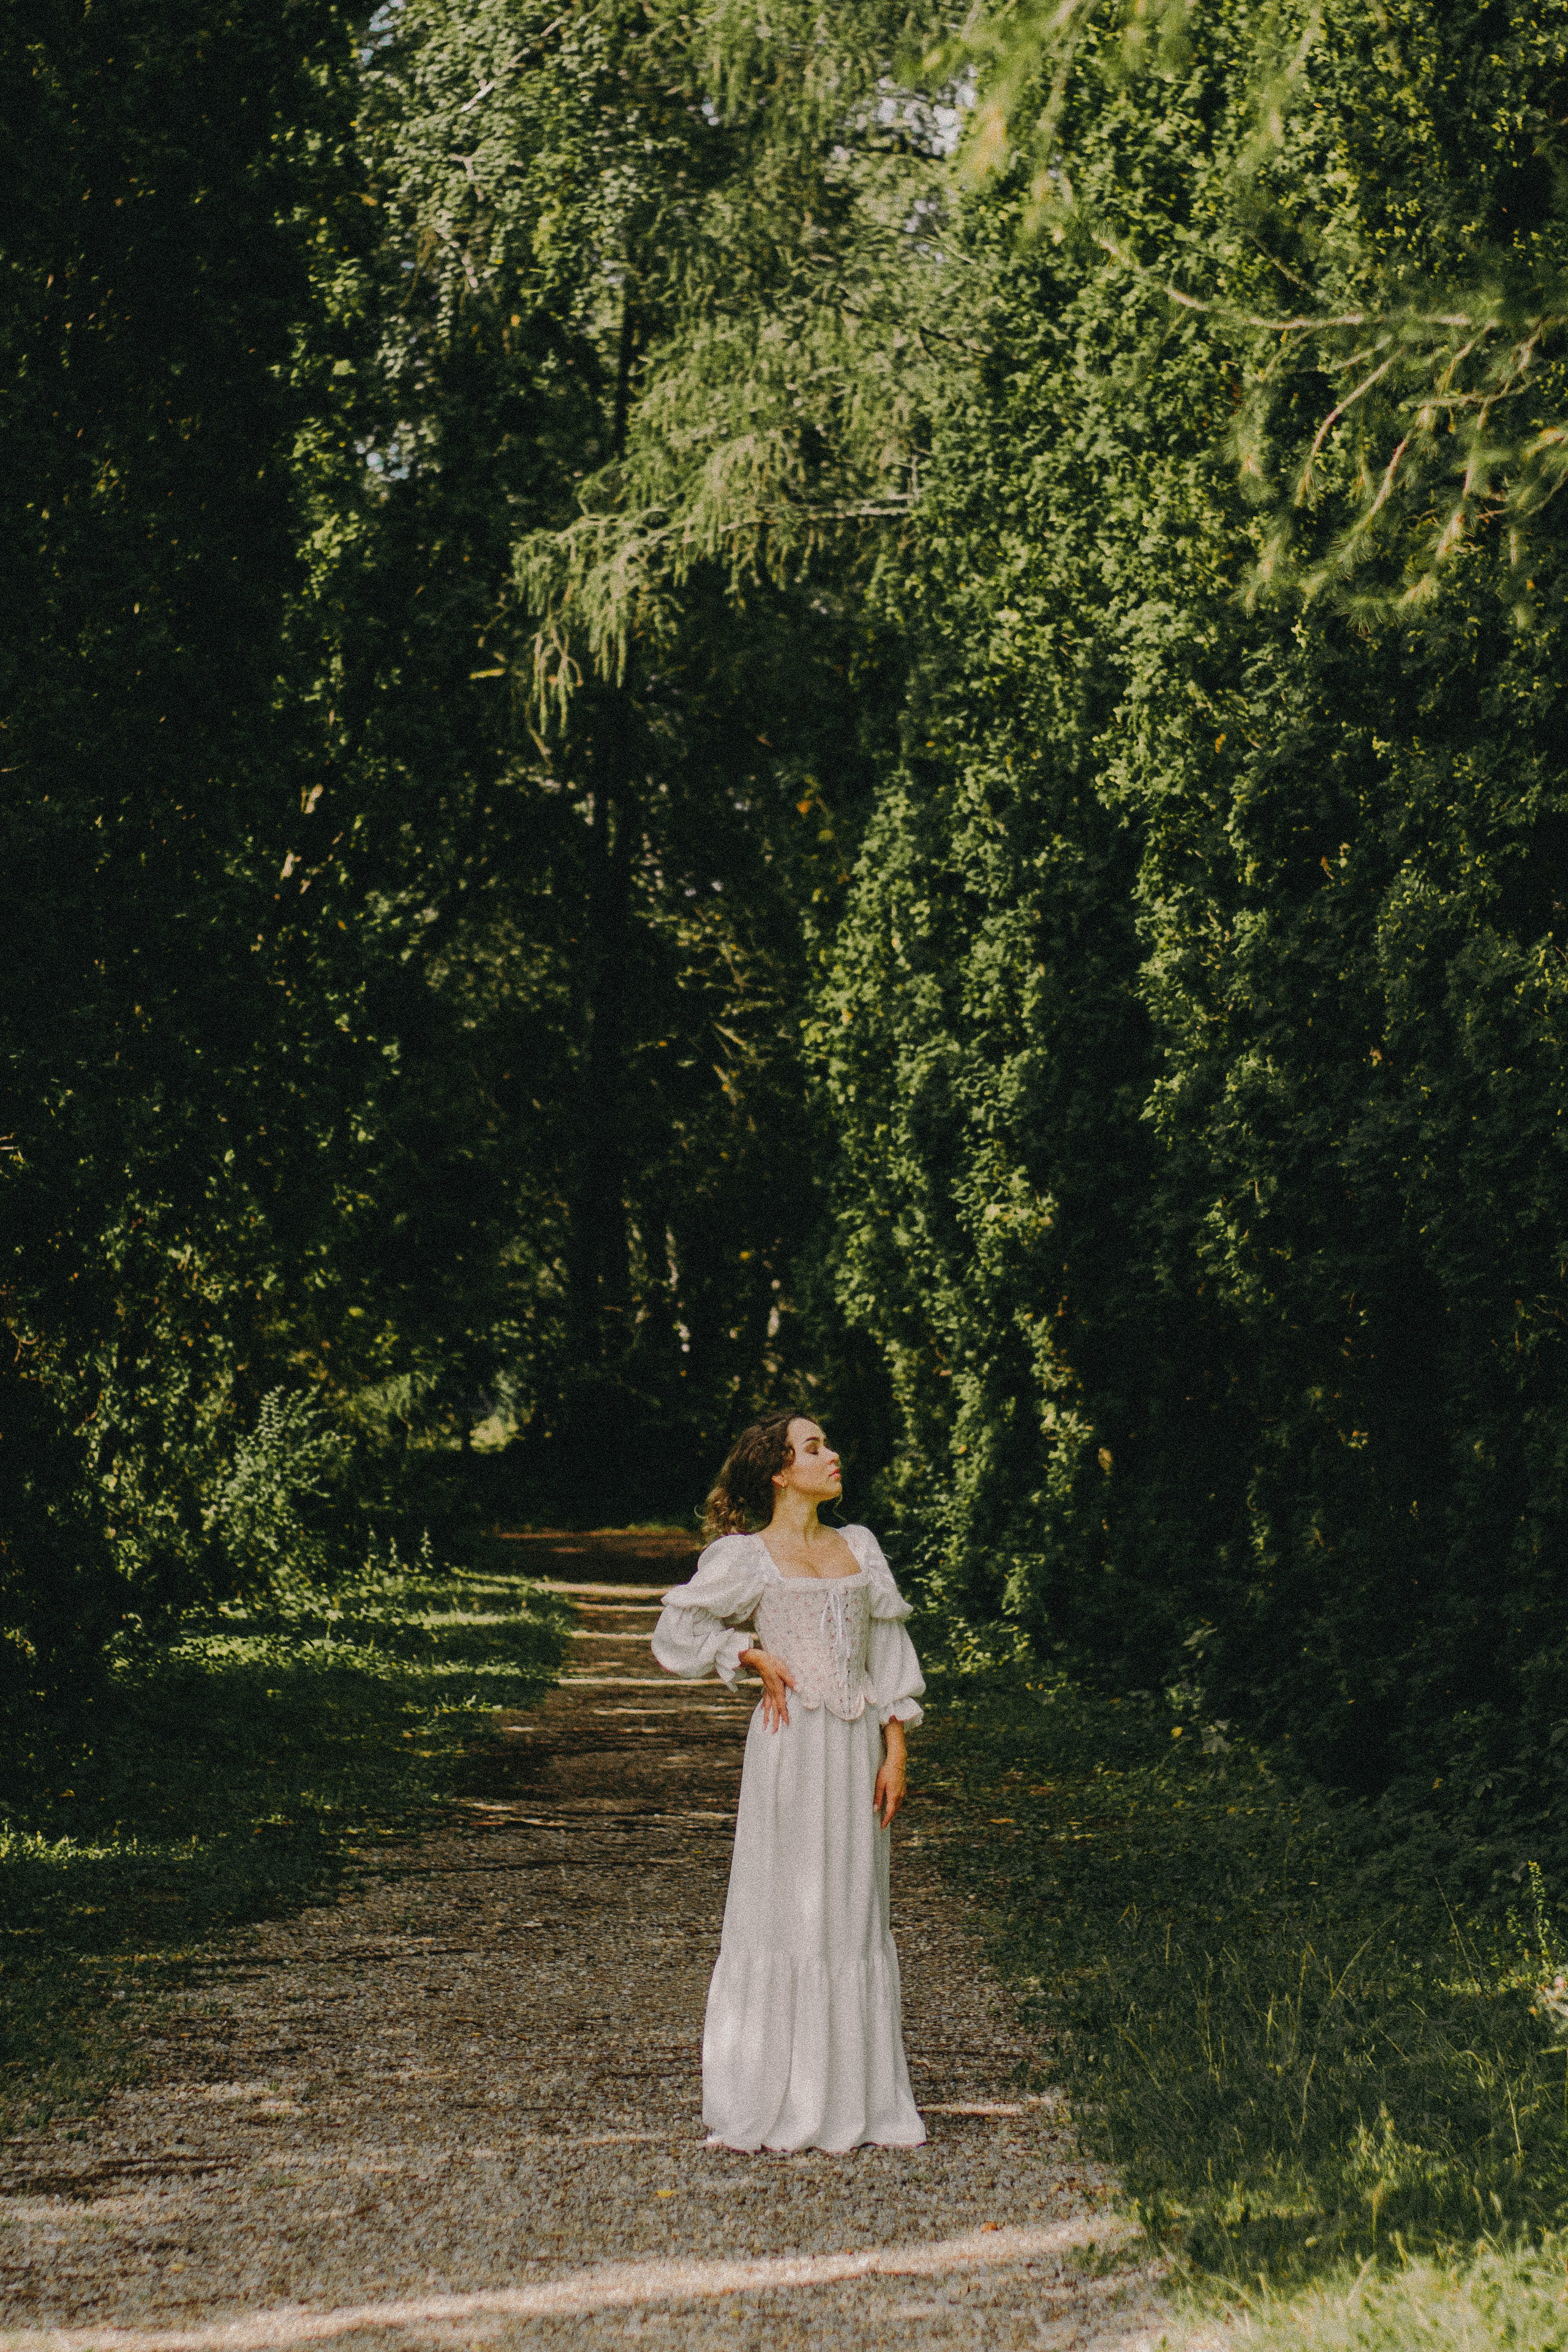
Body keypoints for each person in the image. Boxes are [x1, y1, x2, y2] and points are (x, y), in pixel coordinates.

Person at [650, 1411, 927, 2152]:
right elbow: (675, 1632)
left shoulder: (859, 1548)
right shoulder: (746, 1556)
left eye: (828, 1443)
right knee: (787, 1906)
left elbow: (888, 1657)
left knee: (853, 1907)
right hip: (789, 1749)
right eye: (814, 1447)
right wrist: (748, 1654)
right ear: (778, 1471)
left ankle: (857, 2099)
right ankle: (775, 2093)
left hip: (854, 1750)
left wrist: (894, 1748)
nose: (832, 1455)